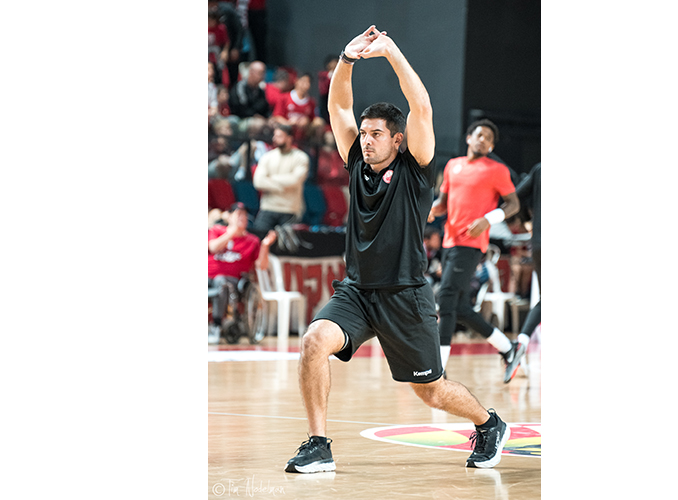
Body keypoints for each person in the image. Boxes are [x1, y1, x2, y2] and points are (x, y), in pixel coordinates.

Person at [285, 26, 510, 474]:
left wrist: (390, 52)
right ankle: (318, 445)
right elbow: (338, 106)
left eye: (376, 134)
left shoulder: (417, 171)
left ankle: (489, 424)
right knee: (313, 342)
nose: (366, 140)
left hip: (405, 295)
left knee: (431, 391)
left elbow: (421, 107)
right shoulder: (355, 162)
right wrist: (347, 60)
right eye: (363, 133)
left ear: (397, 140)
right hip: (357, 292)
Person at [428, 119, 524, 383]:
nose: (483, 140)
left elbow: (513, 204)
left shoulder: (496, 170)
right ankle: (508, 347)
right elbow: (443, 202)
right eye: (479, 135)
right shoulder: (452, 165)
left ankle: (438, 369)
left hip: (471, 243)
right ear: (469, 138)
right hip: (449, 242)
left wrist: (488, 220)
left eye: (488, 138)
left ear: (491, 146)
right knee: (459, 308)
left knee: (446, 298)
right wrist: (433, 209)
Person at [208, 202, 276, 343]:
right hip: (208, 276)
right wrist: (231, 233)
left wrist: (265, 246)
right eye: (238, 214)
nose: (242, 217)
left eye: (245, 215)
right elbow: (213, 247)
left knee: (221, 282)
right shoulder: (217, 230)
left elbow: (261, 266)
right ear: (229, 217)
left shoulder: (252, 240)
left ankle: (216, 325)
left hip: (233, 281)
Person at [252, 124, 309, 233]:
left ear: (289, 138)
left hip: (290, 209)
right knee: (259, 236)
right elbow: (258, 182)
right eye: (275, 136)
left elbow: (295, 181)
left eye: (279, 136)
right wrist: (281, 187)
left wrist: (270, 179)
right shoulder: (267, 157)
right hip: (268, 207)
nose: (275, 139)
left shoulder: (301, 157)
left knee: (287, 242)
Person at [514, 162, 541, 346]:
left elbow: (516, 196)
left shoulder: (539, 169)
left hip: (539, 242)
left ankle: (521, 343)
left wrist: (527, 221)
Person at [228, 60, 271, 137]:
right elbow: (240, 108)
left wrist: (268, 118)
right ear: (251, 72)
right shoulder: (240, 87)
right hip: (240, 120)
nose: (263, 76)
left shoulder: (260, 91)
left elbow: (265, 108)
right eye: (260, 73)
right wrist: (255, 116)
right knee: (259, 124)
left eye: (264, 73)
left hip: (258, 119)